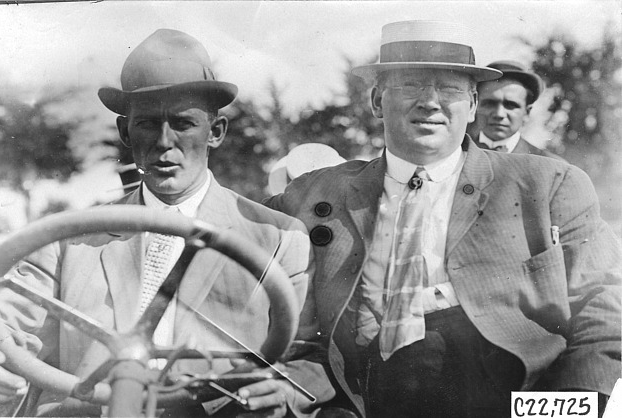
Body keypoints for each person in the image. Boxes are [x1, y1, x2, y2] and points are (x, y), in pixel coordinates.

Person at [265, 20, 622, 418]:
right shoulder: (314, 193)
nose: (430, 102)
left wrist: (563, 409)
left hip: (504, 402)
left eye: (450, 88)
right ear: (377, 101)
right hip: (358, 402)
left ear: (471, 105)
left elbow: (602, 315)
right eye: (411, 85)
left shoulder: (547, 186)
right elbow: (236, 243)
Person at [0, 29, 335, 417]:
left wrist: (284, 392)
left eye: (182, 124)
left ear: (215, 132)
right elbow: (4, 330)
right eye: (147, 124)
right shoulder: (69, 237)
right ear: (125, 132)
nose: (164, 142)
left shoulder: (277, 238)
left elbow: (307, 360)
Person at [469, 60, 564, 160]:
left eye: (510, 105)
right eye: (489, 104)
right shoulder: (458, 155)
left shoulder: (549, 165)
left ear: (527, 112)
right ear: (475, 106)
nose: (499, 114)